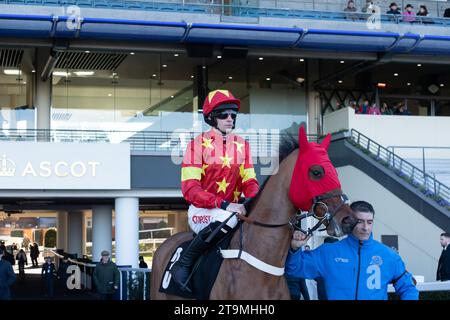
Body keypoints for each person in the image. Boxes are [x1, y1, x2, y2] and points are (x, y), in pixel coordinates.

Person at [170, 89, 260, 293]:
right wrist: (225, 204)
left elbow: (250, 180)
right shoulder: (196, 146)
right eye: (224, 115)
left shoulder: (243, 146)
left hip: (235, 209)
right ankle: (184, 263)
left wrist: (255, 198)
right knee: (229, 219)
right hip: (203, 211)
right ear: (211, 117)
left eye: (233, 115)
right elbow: (190, 189)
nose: (230, 119)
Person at [286, 201, 419, 300]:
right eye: (360, 221)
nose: (365, 227)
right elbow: (294, 268)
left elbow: (408, 287)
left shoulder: (389, 256)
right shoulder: (328, 253)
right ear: (349, 221)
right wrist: (295, 248)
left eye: (370, 222)